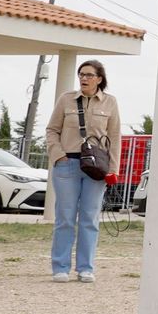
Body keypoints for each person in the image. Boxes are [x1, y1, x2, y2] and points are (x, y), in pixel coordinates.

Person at [44, 60, 121, 282]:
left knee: (89, 217)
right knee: (65, 217)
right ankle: (60, 267)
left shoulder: (110, 102)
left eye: (89, 75)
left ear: (99, 78)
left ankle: (86, 268)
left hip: (97, 168)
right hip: (67, 164)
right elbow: (52, 130)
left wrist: (113, 169)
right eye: (81, 74)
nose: (84, 78)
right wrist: (59, 155)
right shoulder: (66, 99)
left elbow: (115, 138)